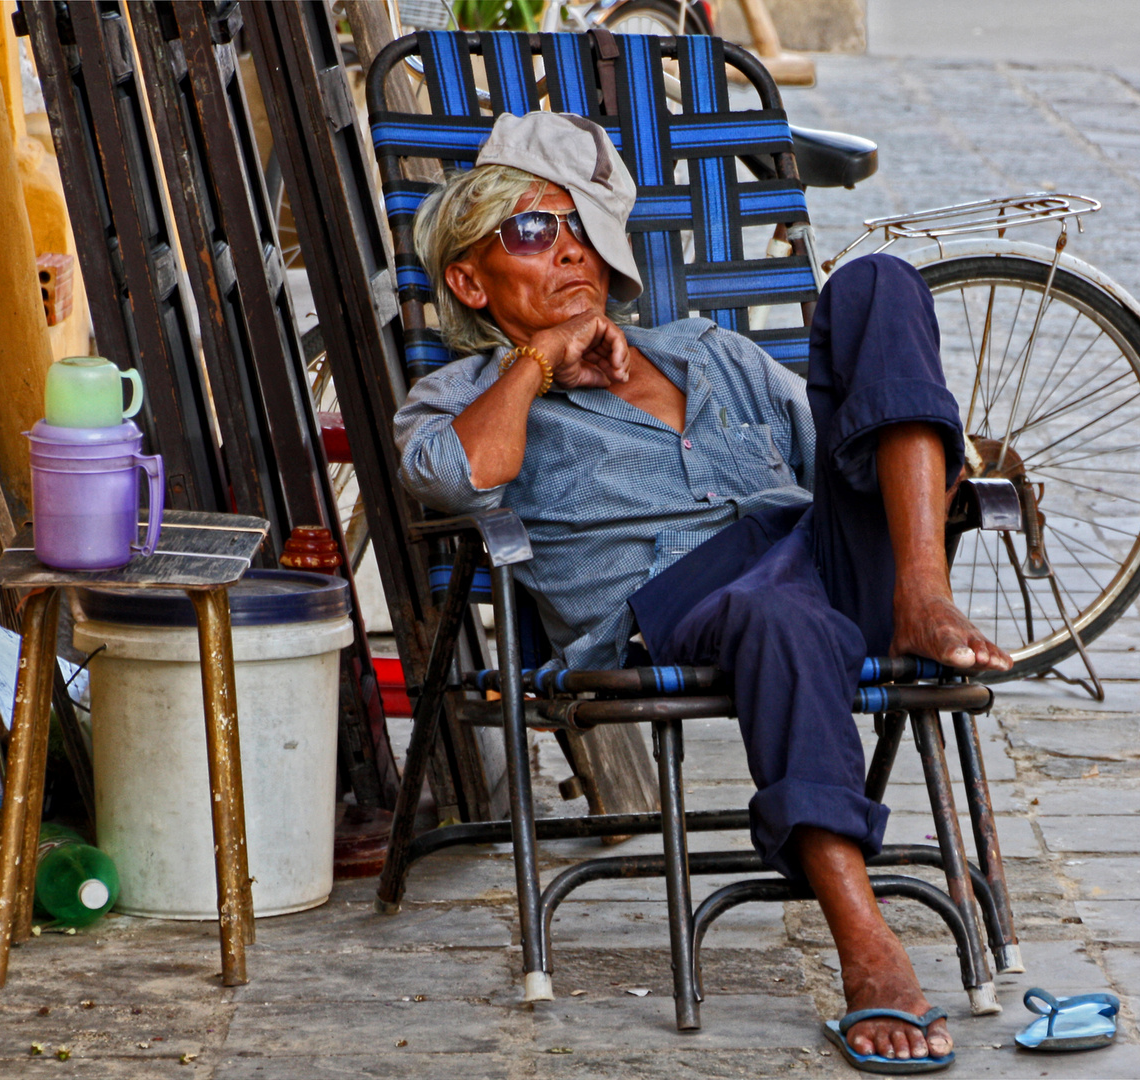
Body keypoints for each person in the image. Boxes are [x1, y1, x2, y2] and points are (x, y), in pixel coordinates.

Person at [395, 111, 1011, 1071]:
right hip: (680, 605)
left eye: (580, 230)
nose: (568, 251)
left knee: (876, 281)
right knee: (780, 616)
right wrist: (535, 362)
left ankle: (923, 594)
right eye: (529, 231)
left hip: (815, 554)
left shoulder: (705, 351)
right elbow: (451, 478)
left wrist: (922, 472)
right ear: (471, 283)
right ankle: (868, 946)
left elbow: (831, 468)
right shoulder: (462, 394)